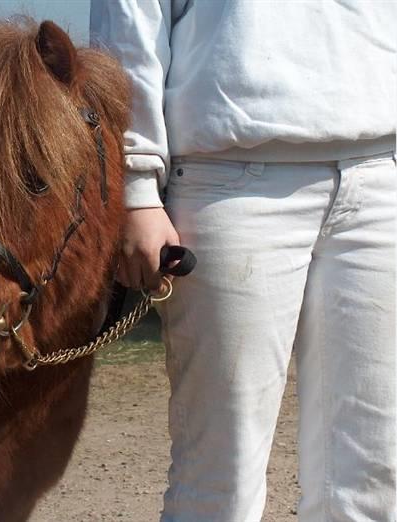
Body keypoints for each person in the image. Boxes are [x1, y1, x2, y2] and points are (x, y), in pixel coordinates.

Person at [90, 1, 396, 520]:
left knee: (374, 476)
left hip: (382, 174)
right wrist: (135, 184)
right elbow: (132, 17)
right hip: (230, 175)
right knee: (220, 476)